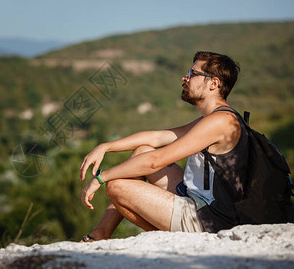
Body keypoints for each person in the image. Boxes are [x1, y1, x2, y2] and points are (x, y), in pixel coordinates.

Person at [79, 51, 245, 240]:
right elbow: (157, 137)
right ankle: (101, 232)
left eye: (193, 73)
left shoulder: (220, 122)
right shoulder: (216, 118)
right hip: (201, 200)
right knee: (142, 151)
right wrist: (106, 147)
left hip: (210, 219)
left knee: (116, 186)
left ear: (214, 83)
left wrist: (101, 178)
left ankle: (173, 237)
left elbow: (155, 161)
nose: (185, 77)